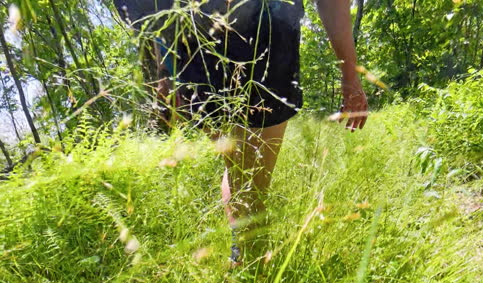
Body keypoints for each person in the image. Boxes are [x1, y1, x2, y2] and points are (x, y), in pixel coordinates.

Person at [115, 0, 368, 263]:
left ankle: (244, 256)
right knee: (247, 179)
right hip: (198, 42)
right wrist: (164, 70)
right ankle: (248, 265)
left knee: (242, 168)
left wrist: (164, 69)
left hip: (262, 34)